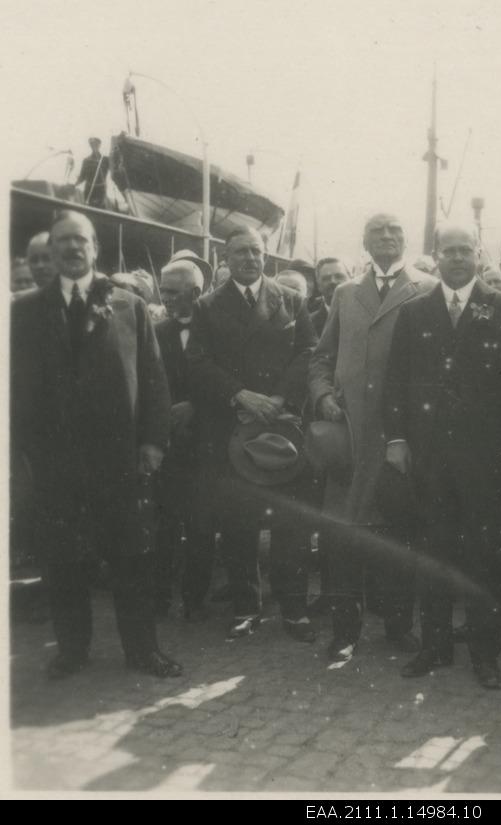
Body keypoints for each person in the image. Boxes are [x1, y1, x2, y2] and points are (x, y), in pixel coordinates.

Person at [11, 211, 182, 678]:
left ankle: (143, 651)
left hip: (119, 459)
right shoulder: (24, 312)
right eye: (62, 241)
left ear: (94, 247)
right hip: (54, 462)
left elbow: (154, 380)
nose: (71, 248)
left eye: (80, 240)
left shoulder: (129, 306)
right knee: (63, 561)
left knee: (132, 559)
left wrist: (153, 442)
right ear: (51, 249)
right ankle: (72, 650)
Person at [384, 222, 501, 689]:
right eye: (448, 251)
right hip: (429, 457)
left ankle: (484, 653)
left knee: (484, 556)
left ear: (478, 255)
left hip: (483, 457)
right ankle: (435, 648)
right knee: (434, 552)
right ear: (436, 256)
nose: (457, 258)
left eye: (465, 251)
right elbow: (395, 380)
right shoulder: (415, 312)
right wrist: (395, 438)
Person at [309, 213, 434, 662]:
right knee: (344, 538)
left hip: (400, 437)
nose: (386, 236)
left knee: (398, 535)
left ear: (406, 239)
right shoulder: (345, 294)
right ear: (363, 241)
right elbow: (321, 358)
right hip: (350, 437)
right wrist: (323, 394)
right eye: (377, 230)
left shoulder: (428, 290)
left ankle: (399, 627)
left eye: (394, 230)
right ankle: (345, 632)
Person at [186, 227, 318, 643]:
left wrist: (280, 398)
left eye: (256, 252)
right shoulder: (207, 305)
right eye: (240, 252)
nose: (249, 258)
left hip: (281, 425)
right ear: (225, 258)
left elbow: (309, 352)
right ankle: (246, 608)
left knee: (289, 524)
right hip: (233, 425)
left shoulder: (291, 299)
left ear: (267, 256)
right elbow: (197, 362)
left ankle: (295, 611)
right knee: (239, 523)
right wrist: (239, 394)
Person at [154, 256, 215, 621]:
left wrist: (197, 406)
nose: (167, 300)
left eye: (175, 293)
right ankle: (159, 596)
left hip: (207, 444)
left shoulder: (218, 330)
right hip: (169, 444)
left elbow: (228, 381)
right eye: (163, 292)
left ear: (196, 292)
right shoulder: (156, 331)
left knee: (202, 526)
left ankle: (195, 600)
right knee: (164, 525)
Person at [310, 257, 351, 337]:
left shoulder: (366, 314)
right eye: (326, 278)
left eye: (339, 276)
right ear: (318, 285)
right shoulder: (309, 324)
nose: (333, 281)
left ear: (351, 279)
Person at [76, 137, 112, 209]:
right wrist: (74, 185)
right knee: (88, 208)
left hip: (100, 190)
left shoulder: (105, 160)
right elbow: (82, 177)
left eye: (96, 144)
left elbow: (114, 169)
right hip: (89, 189)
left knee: (101, 209)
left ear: (99, 145)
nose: (94, 146)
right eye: (92, 144)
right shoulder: (86, 160)